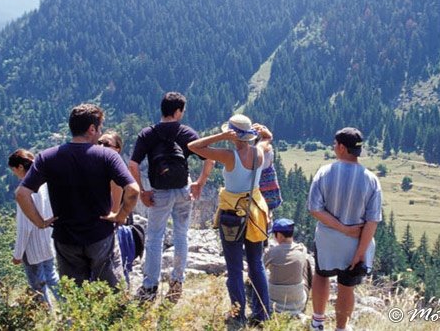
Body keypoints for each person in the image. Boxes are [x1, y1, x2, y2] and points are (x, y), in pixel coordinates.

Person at [15, 104, 140, 288]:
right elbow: (133, 190)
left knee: (76, 297)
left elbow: (22, 194)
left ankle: (80, 318)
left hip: (66, 239)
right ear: (92, 128)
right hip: (100, 235)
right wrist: (120, 216)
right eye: (100, 127)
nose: (100, 132)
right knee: (111, 293)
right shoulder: (107, 156)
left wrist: (40, 222)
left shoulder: (47, 157)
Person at [129, 91, 214, 303]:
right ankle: (177, 283)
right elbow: (210, 158)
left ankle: (150, 287)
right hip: (184, 190)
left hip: (159, 193)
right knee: (181, 236)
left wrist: (142, 191)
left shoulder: (147, 134)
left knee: (155, 237)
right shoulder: (186, 132)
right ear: (177, 111)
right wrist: (200, 183)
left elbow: (133, 165)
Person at [188, 114, 270, 327]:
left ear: (232, 133)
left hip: (232, 214)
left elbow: (193, 146)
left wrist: (220, 136)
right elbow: (268, 137)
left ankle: (238, 313)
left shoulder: (229, 156)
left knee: (234, 267)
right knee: (256, 264)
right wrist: (261, 132)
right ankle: (262, 313)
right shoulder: (260, 151)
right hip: (255, 212)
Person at [307, 127, 382, 331]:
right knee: (346, 287)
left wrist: (341, 228)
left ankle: (317, 322)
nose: (333, 147)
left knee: (321, 275)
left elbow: (314, 208)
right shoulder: (371, 179)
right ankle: (341, 327)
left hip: (327, 240)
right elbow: (372, 221)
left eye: (334, 144)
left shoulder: (324, 172)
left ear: (341, 147)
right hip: (356, 244)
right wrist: (360, 252)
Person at [8, 149, 59, 307]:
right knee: (53, 278)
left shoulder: (23, 192)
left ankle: (46, 318)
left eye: (14, 169)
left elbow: (24, 228)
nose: (14, 173)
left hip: (32, 249)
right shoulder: (44, 185)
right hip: (47, 242)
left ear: (20, 168)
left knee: (38, 287)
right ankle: (70, 311)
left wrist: (17, 254)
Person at [98, 130, 144, 284]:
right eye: (99, 143)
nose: (101, 146)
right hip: (117, 220)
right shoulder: (107, 165)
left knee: (116, 267)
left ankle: (121, 301)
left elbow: (117, 200)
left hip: (116, 222)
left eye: (106, 144)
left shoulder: (114, 169)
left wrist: (114, 217)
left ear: (117, 148)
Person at [264, 218, 312, 315]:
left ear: (280, 236)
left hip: (273, 304)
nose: (274, 237)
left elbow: (261, 268)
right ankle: (306, 306)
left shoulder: (272, 252)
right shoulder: (302, 250)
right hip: (298, 304)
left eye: (274, 235)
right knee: (306, 264)